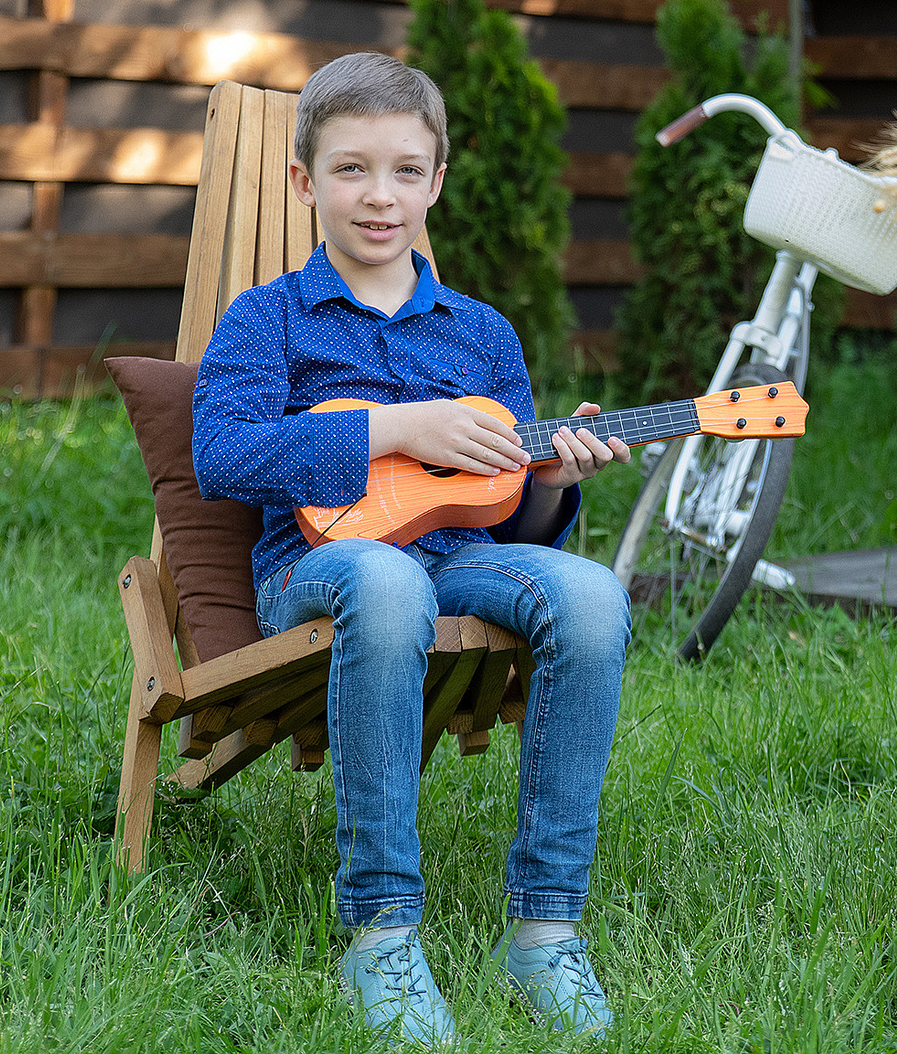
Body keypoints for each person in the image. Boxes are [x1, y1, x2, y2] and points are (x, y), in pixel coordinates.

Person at [193, 51, 634, 1047]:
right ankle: (380, 932)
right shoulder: (265, 320)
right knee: (387, 578)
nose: (378, 196)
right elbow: (222, 455)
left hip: (459, 562)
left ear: (436, 179)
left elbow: (497, 510)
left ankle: (544, 929)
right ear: (304, 181)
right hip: (318, 574)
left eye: (403, 170)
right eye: (350, 169)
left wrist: (550, 484)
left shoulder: (481, 335)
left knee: (594, 595)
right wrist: (392, 432)